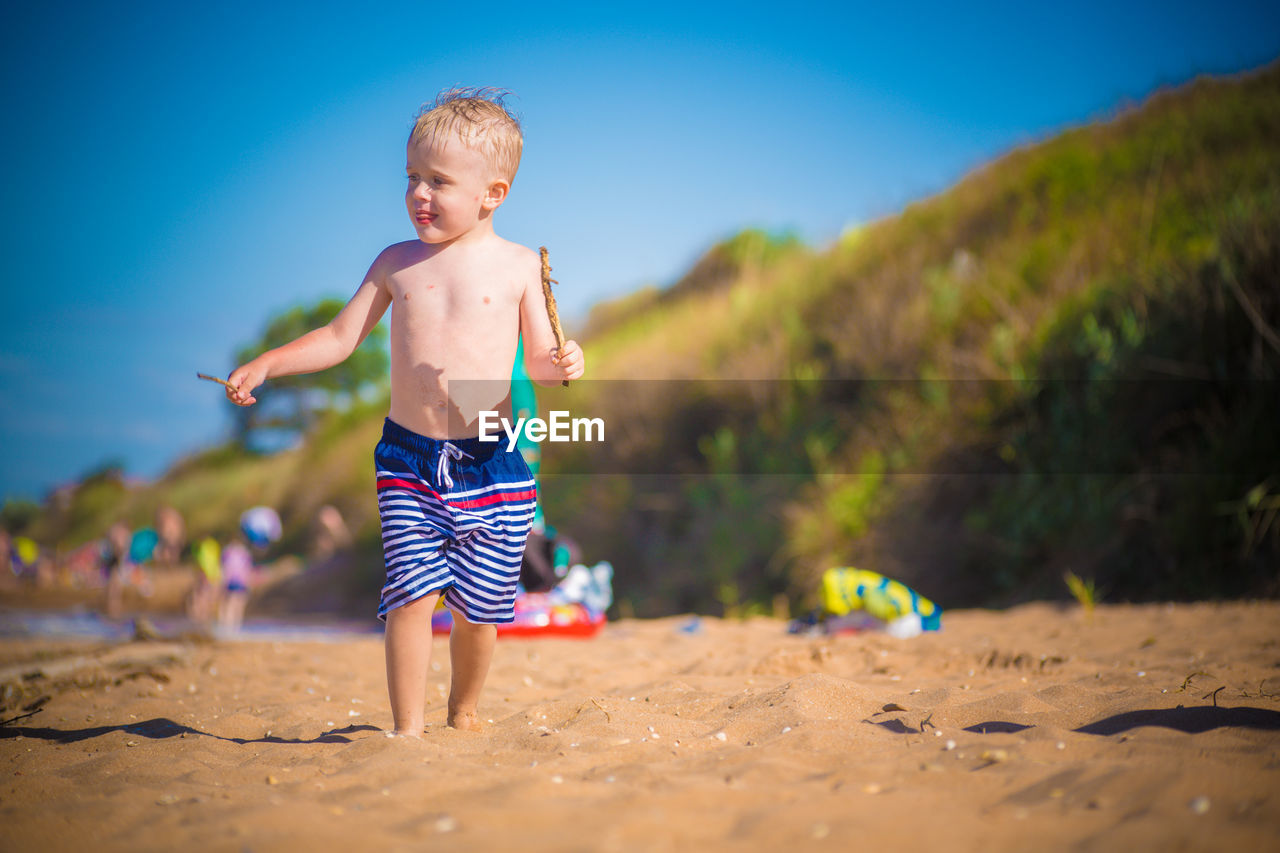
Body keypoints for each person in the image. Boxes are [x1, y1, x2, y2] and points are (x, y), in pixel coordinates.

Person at [224, 88, 584, 736]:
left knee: (480, 611)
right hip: (409, 461)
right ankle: (407, 729)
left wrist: (563, 364)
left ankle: (464, 705)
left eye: (437, 181)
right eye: (411, 178)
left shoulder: (520, 267)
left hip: (492, 463)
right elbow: (339, 337)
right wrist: (269, 362)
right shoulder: (397, 263)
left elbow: (537, 362)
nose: (419, 193)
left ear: (491, 194)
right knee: (411, 597)